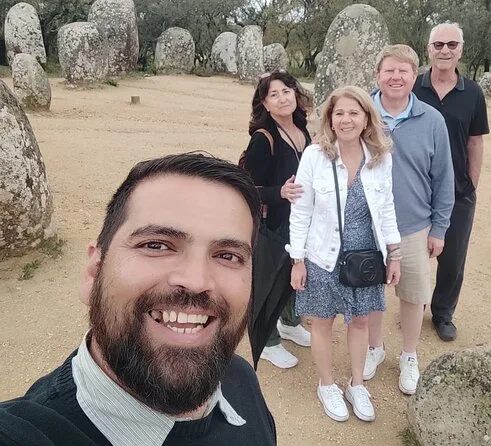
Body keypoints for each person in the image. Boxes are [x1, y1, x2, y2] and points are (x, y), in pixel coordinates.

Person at [0, 153, 276, 445]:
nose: (196, 282)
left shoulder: (240, 379)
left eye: (228, 256)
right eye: (156, 245)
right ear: (94, 272)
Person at [286, 86, 401, 423]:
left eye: (354, 113)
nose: (346, 120)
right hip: (323, 255)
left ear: (366, 118)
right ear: (330, 119)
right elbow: (301, 211)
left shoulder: (380, 157)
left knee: (361, 320)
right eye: (339, 113)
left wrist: (394, 254)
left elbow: (388, 209)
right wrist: (297, 260)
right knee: (322, 322)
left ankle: (357, 384)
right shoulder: (315, 156)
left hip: (365, 256)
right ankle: (327, 385)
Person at [365, 44, 455, 395]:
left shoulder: (432, 120)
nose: (396, 77)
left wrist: (440, 228)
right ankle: (374, 347)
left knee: (414, 295)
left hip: (414, 225)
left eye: (403, 71)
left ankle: (409, 355)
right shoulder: (360, 113)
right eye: (389, 70)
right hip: (368, 224)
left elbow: (443, 178)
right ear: (377, 75)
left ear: (414, 76)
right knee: (371, 293)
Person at [412, 22, 490, 342]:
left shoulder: (472, 93)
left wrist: (471, 184)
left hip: (457, 191)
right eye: (438, 45)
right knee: (414, 253)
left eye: (452, 45)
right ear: (428, 49)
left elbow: (475, 141)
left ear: (461, 50)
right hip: (416, 189)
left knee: (453, 257)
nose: (445, 50)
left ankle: (443, 313)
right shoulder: (412, 88)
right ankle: (413, 305)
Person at [244, 69, 313, 369]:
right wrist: (279, 192)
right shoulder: (263, 139)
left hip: (299, 219)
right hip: (272, 222)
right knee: (269, 280)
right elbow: (248, 187)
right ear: (265, 104)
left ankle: (290, 322)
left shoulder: (301, 130)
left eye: (287, 91)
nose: (283, 98)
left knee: (294, 273)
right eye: (274, 94)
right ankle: (268, 341)